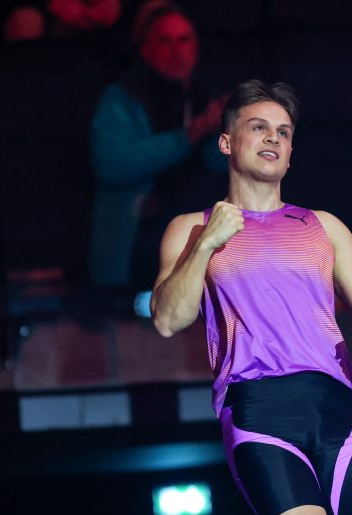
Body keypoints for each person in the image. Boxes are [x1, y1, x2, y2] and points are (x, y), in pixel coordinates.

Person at [151, 79, 352, 515]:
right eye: (259, 127)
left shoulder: (323, 226)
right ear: (226, 142)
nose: (273, 139)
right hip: (258, 408)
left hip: (333, 408)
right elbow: (169, 318)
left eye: (284, 133)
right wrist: (208, 243)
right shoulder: (191, 229)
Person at [88, 0, 226, 306]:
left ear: (196, 48)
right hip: (140, 236)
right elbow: (113, 166)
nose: (176, 51)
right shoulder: (121, 98)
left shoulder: (208, 97)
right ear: (146, 49)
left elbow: (224, 168)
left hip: (202, 232)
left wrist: (230, 131)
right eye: (164, 41)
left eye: (183, 40)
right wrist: (189, 136)